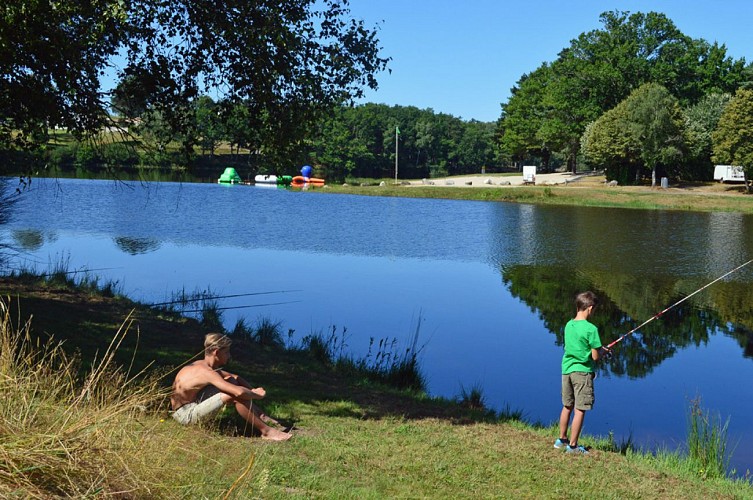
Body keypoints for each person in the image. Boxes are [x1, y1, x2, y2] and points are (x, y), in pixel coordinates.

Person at [170, 333, 292, 441]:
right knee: (233, 394)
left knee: (231, 381)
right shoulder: (206, 372)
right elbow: (238, 393)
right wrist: (257, 395)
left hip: (192, 403)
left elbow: (235, 376)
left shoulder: (203, 364)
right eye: (227, 352)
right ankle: (267, 432)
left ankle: (261, 415)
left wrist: (251, 390)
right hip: (186, 415)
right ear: (216, 352)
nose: (229, 356)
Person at [554, 291, 609, 454]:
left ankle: (561, 439)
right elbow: (595, 356)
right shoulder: (591, 329)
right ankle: (573, 446)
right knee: (580, 409)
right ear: (590, 308)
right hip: (582, 372)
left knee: (567, 406)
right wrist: (603, 352)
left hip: (566, 370)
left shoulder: (568, 325)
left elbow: (576, 346)